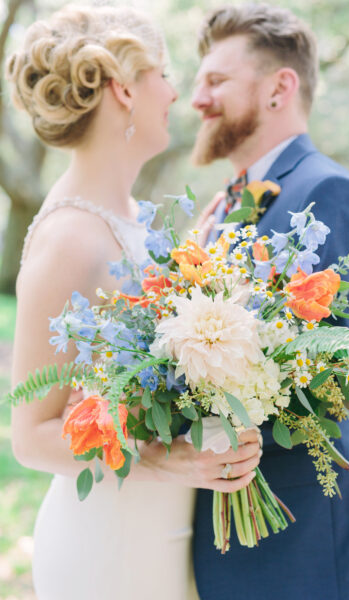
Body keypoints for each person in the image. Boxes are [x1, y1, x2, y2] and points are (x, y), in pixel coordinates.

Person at [8, 5, 262, 599]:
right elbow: (30, 435)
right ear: (124, 89)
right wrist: (163, 458)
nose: (177, 92)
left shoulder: (132, 224)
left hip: (165, 531)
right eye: (165, 74)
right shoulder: (70, 236)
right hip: (110, 545)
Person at [191, 4, 349, 600]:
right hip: (230, 546)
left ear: (280, 88)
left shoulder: (329, 191)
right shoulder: (225, 207)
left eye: (216, 81)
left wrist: (203, 408)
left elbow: (343, 384)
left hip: (307, 555)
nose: (196, 99)